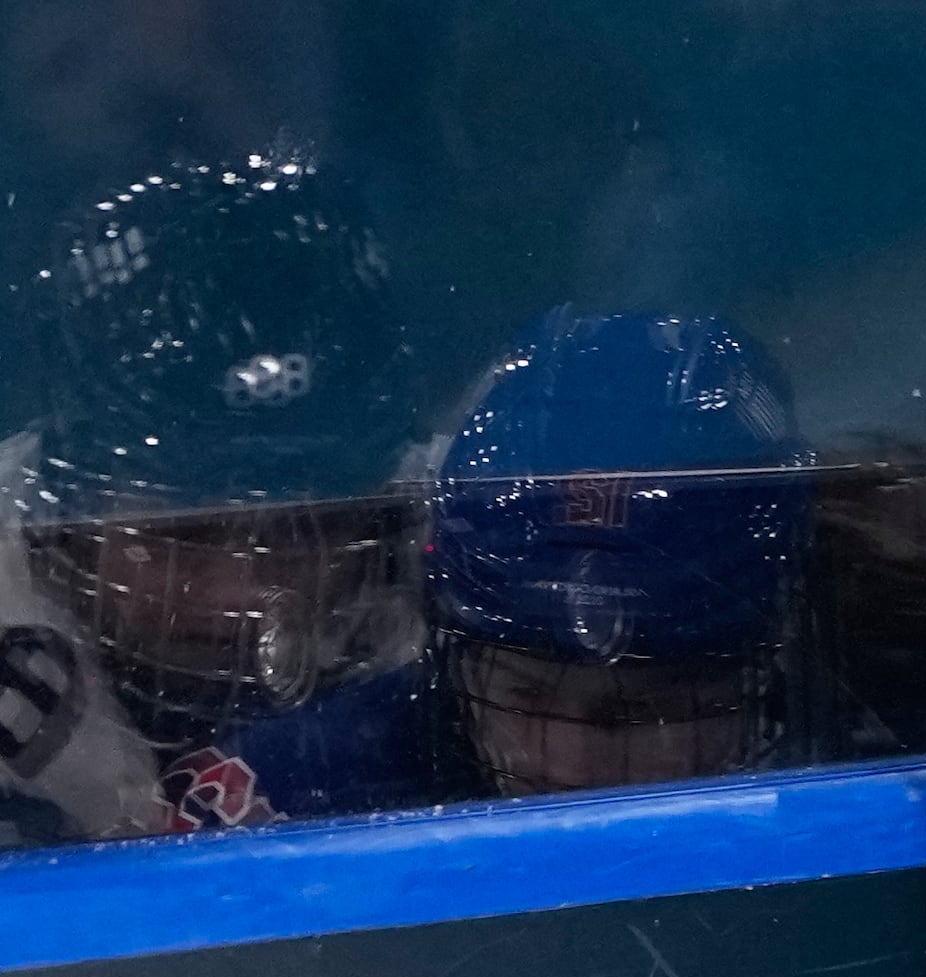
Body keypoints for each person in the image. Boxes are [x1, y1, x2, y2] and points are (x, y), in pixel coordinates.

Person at [226, 306, 819, 816]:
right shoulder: (296, 793)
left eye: (644, 712)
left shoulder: (867, 772)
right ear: (454, 669)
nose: (567, 766)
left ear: (764, 668)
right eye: (524, 696)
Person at [13, 154, 419, 837]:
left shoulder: (478, 547)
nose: (241, 592)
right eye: (184, 530)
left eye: (302, 525)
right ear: (67, 500)